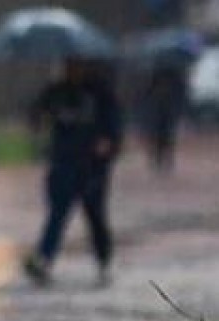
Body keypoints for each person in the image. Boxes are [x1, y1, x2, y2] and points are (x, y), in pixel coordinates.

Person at [23, 59, 123, 287]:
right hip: (63, 162)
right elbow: (37, 112)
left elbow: (114, 125)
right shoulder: (56, 91)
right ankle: (44, 259)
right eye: (68, 65)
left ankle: (104, 259)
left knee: (95, 215)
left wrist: (108, 142)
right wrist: (37, 119)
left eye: (76, 65)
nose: (71, 70)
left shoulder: (100, 92)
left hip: (92, 166)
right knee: (57, 213)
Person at [139, 63, 188, 174]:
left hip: (168, 111)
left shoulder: (175, 76)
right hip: (158, 110)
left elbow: (180, 93)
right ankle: (158, 159)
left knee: (167, 136)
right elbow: (147, 92)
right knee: (158, 136)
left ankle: (165, 159)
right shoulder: (154, 76)